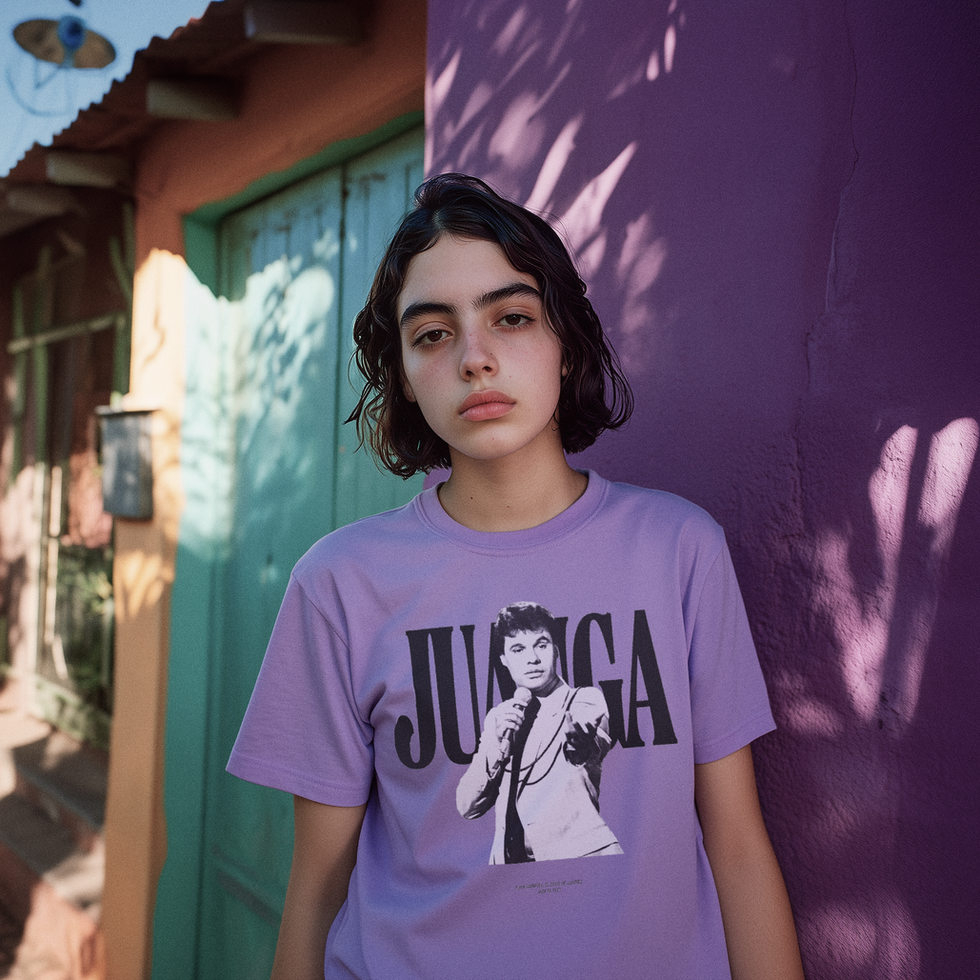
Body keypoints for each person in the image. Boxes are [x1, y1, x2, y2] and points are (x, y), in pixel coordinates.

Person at [227, 173, 805, 980]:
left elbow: (736, 844)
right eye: (433, 334)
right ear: (403, 373)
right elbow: (318, 885)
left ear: (565, 343)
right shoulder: (339, 585)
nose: (475, 358)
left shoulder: (678, 551)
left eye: (512, 317)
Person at [456, 601, 623, 863]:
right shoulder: (500, 718)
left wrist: (580, 742)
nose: (532, 658)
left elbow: (590, 744)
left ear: (556, 650)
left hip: (580, 861)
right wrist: (495, 743)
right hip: (511, 873)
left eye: (541, 645)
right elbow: (468, 807)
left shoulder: (583, 700)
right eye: (518, 649)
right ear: (504, 660)